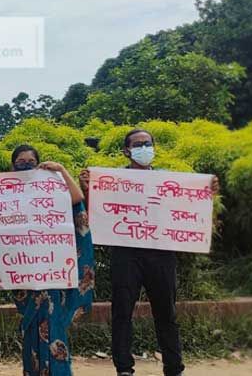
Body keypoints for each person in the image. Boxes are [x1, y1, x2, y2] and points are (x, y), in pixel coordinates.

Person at [79, 129, 220, 376]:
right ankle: (124, 369)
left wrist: (208, 192)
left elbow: (190, 209)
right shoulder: (113, 181)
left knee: (167, 313)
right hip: (126, 255)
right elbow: (97, 214)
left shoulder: (168, 180)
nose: (144, 147)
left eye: (147, 143)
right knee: (122, 312)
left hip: (161, 254)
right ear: (126, 151)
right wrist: (89, 188)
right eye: (138, 144)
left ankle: (174, 369)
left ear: (154, 147)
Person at [0, 144, 95, 376]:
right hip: (24, 272)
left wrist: (61, 170)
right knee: (31, 328)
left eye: (30, 161)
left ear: (39, 163)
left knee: (54, 325)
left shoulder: (52, 186)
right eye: (20, 162)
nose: (26, 165)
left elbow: (77, 199)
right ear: (13, 165)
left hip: (52, 270)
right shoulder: (6, 193)